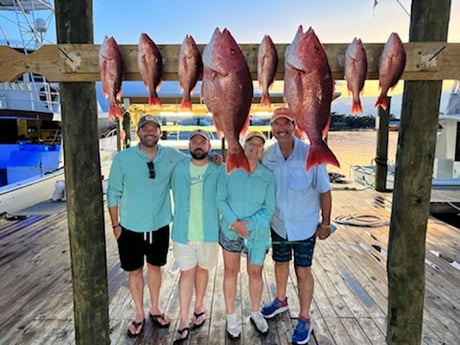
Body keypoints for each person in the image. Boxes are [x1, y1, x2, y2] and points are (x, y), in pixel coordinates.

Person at [107, 114, 186, 337]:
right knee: (134, 271)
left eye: (154, 128)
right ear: (138, 132)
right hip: (129, 227)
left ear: (160, 132)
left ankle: (156, 308)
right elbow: (113, 193)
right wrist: (115, 225)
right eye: (145, 128)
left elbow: (195, 162)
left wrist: (217, 161)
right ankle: (139, 313)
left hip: (158, 225)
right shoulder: (122, 159)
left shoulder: (172, 156)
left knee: (155, 267)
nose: (150, 132)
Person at [260, 107, 333, 345]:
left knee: (303, 271)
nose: (281, 129)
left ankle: (304, 317)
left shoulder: (312, 152)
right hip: (278, 223)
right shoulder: (267, 154)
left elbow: (325, 191)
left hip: (304, 225)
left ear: (294, 126)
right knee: (280, 262)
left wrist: (326, 223)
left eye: (286, 124)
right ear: (271, 128)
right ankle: (281, 299)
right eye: (276, 125)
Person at [216, 131, 275, 338]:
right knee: (231, 272)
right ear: (244, 146)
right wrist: (235, 222)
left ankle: (256, 312)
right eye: (251, 144)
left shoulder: (268, 175)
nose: (254, 148)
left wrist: (249, 225)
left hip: (257, 233)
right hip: (231, 230)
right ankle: (231, 315)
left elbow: (269, 208)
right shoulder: (229, 169)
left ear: (262, 150)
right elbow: (220, 199)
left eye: (259, 146)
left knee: (255, 273)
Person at [170, 129, 225, 343]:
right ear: (189, 146)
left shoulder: (218, 168)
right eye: (195, 142)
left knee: (203, 270)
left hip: (209, 232)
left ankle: (199, 306)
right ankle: (184, 320)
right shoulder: (178, 167)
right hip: (183, 232)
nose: (199, 145)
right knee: (186, 274)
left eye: (203, 142)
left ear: (209, 147)